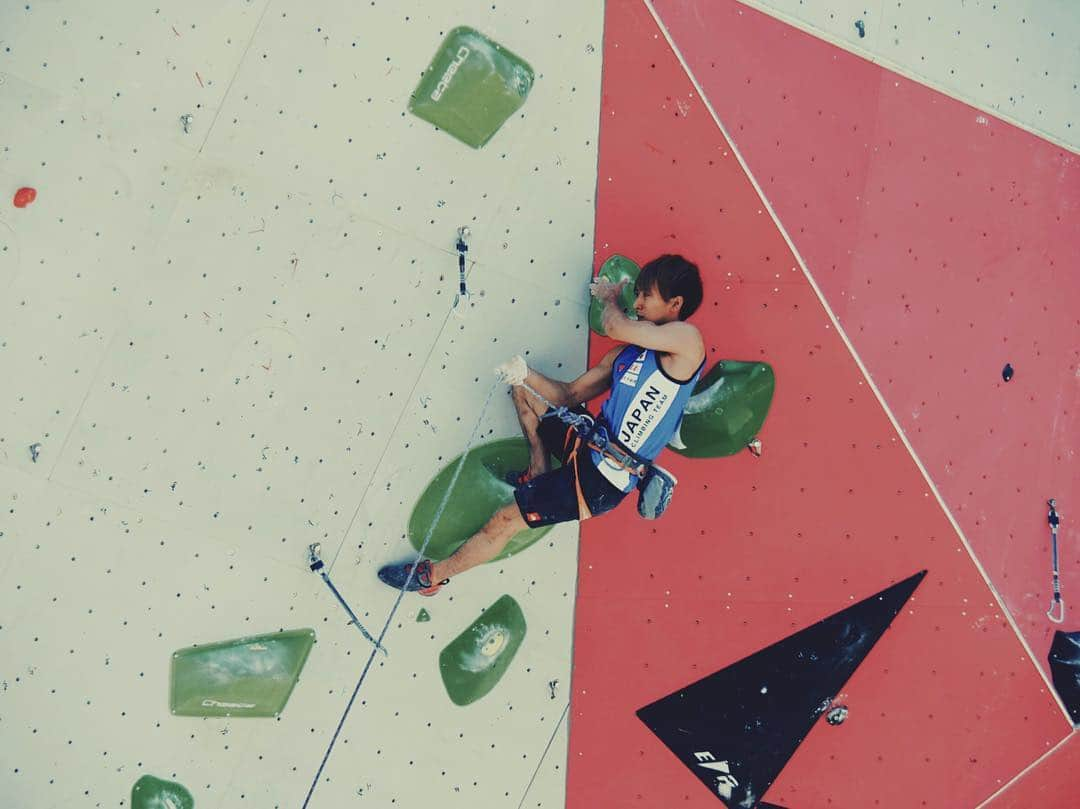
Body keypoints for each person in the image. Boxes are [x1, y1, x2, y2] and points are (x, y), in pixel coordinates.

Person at [378, 255, 706, 596]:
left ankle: (432, 577)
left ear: (675, 304)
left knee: (503, 522)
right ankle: (538, 469)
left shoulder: (688, 342)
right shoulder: (624, 356)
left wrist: (610, 298)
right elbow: (568, 394)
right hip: (588, 441)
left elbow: (614, 325)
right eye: (635, 295)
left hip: (602, 481)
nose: (636, 304)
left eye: (645, 296)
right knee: (525, 392)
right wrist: (525, 374)